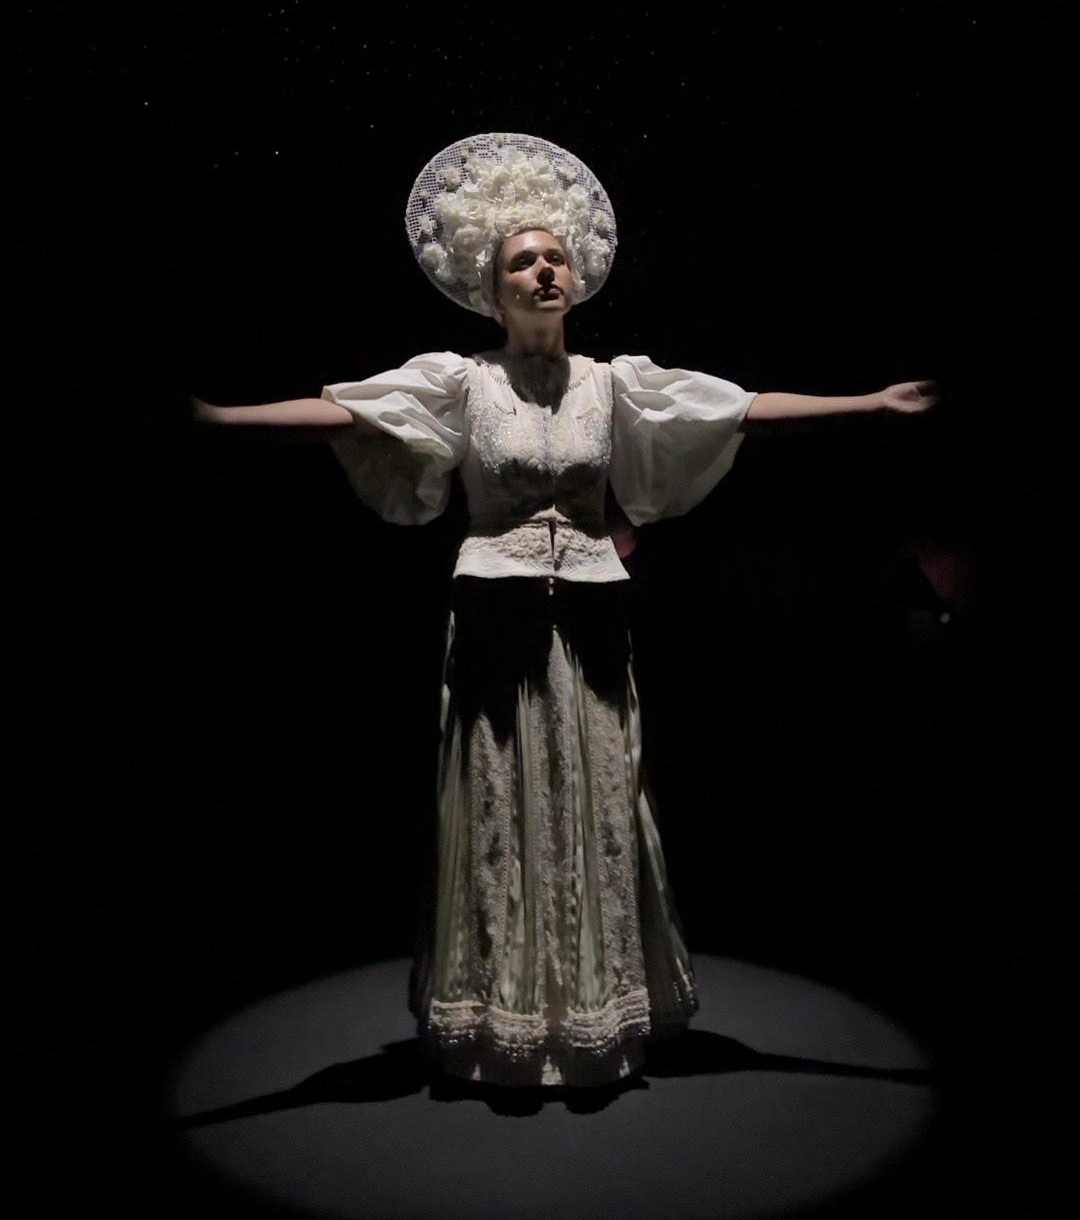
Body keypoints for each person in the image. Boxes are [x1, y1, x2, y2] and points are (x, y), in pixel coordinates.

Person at [193, 131, 935, 1093]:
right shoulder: (460, 382)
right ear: (492, 287)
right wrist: (221, 419)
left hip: (590, 630)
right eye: (522, 262)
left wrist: (871, 404)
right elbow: (348, 413)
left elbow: (738, 408)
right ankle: (502, 1016)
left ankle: (593, 1012)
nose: (543, 270)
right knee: (501, 810)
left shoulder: (612, 383)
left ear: (574, 279)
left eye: (554, 257)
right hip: (495, 627)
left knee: (595, 803)